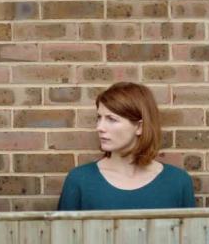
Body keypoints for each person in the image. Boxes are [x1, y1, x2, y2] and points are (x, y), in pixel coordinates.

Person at [58, 82, 195, 210]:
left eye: (111, 119)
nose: (99, 127)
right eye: (99, 118)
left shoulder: (177, 182)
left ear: (139, 127)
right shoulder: (80, 180)